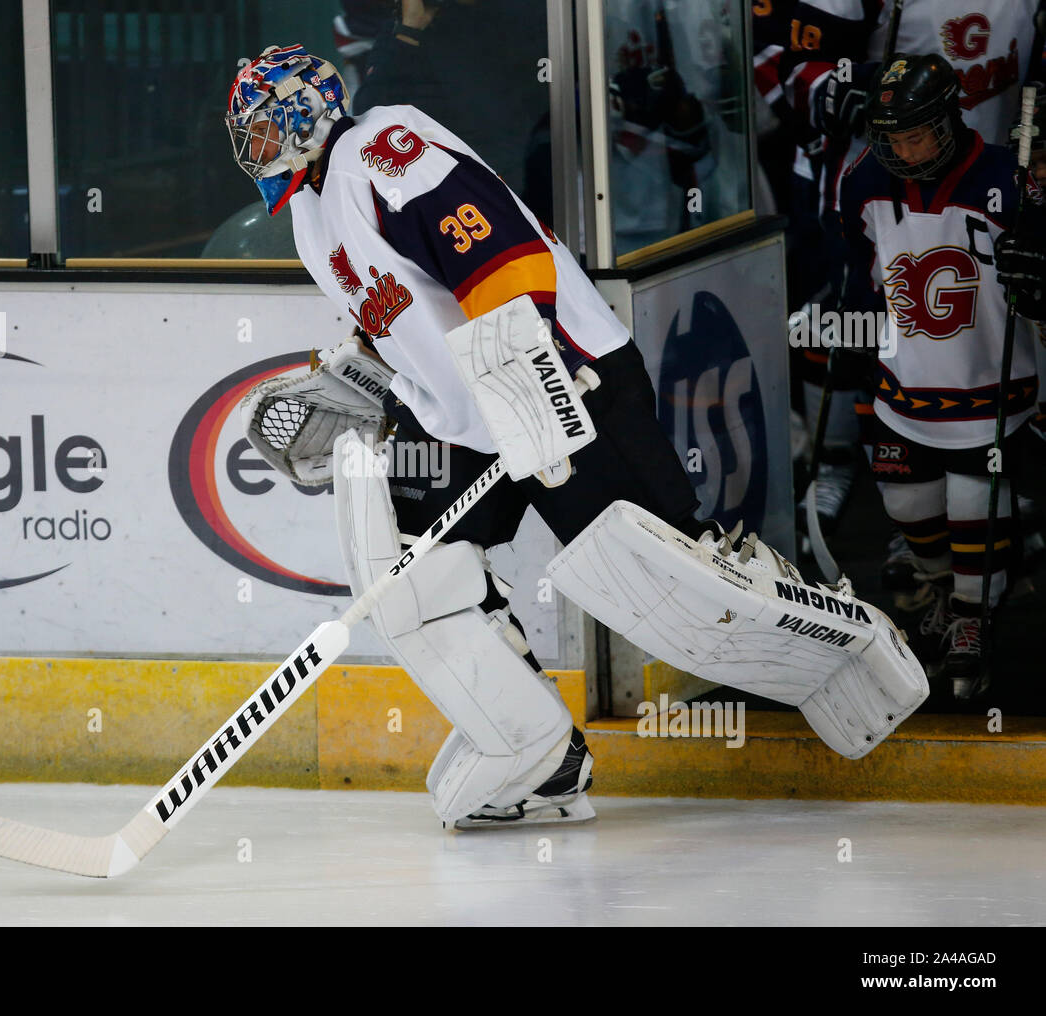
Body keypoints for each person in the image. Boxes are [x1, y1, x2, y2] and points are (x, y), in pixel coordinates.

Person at [226, 44, 924, 825]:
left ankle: (850, 637)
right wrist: (359, 372)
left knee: (674, 576)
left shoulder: (383, 147)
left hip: (565, 383)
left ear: (305, 115)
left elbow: (493, 244)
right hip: (468, 423)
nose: (249, 146)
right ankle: (539, 754)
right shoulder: (311, 211)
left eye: (259, 127)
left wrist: (537, 363)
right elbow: (393, 312)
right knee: (421, 581)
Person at [839, 53, 1046, 699]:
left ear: (950, 119)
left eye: (915, 133)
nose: (902, 148)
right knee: (908, 511)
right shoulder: (863, 181)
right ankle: (946, 596)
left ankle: (969, 620)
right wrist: (854, 338)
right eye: (891, 136)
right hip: (905, 389)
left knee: (972, 511)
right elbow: (859, 269)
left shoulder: (1008, 181)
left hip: (992, 391)